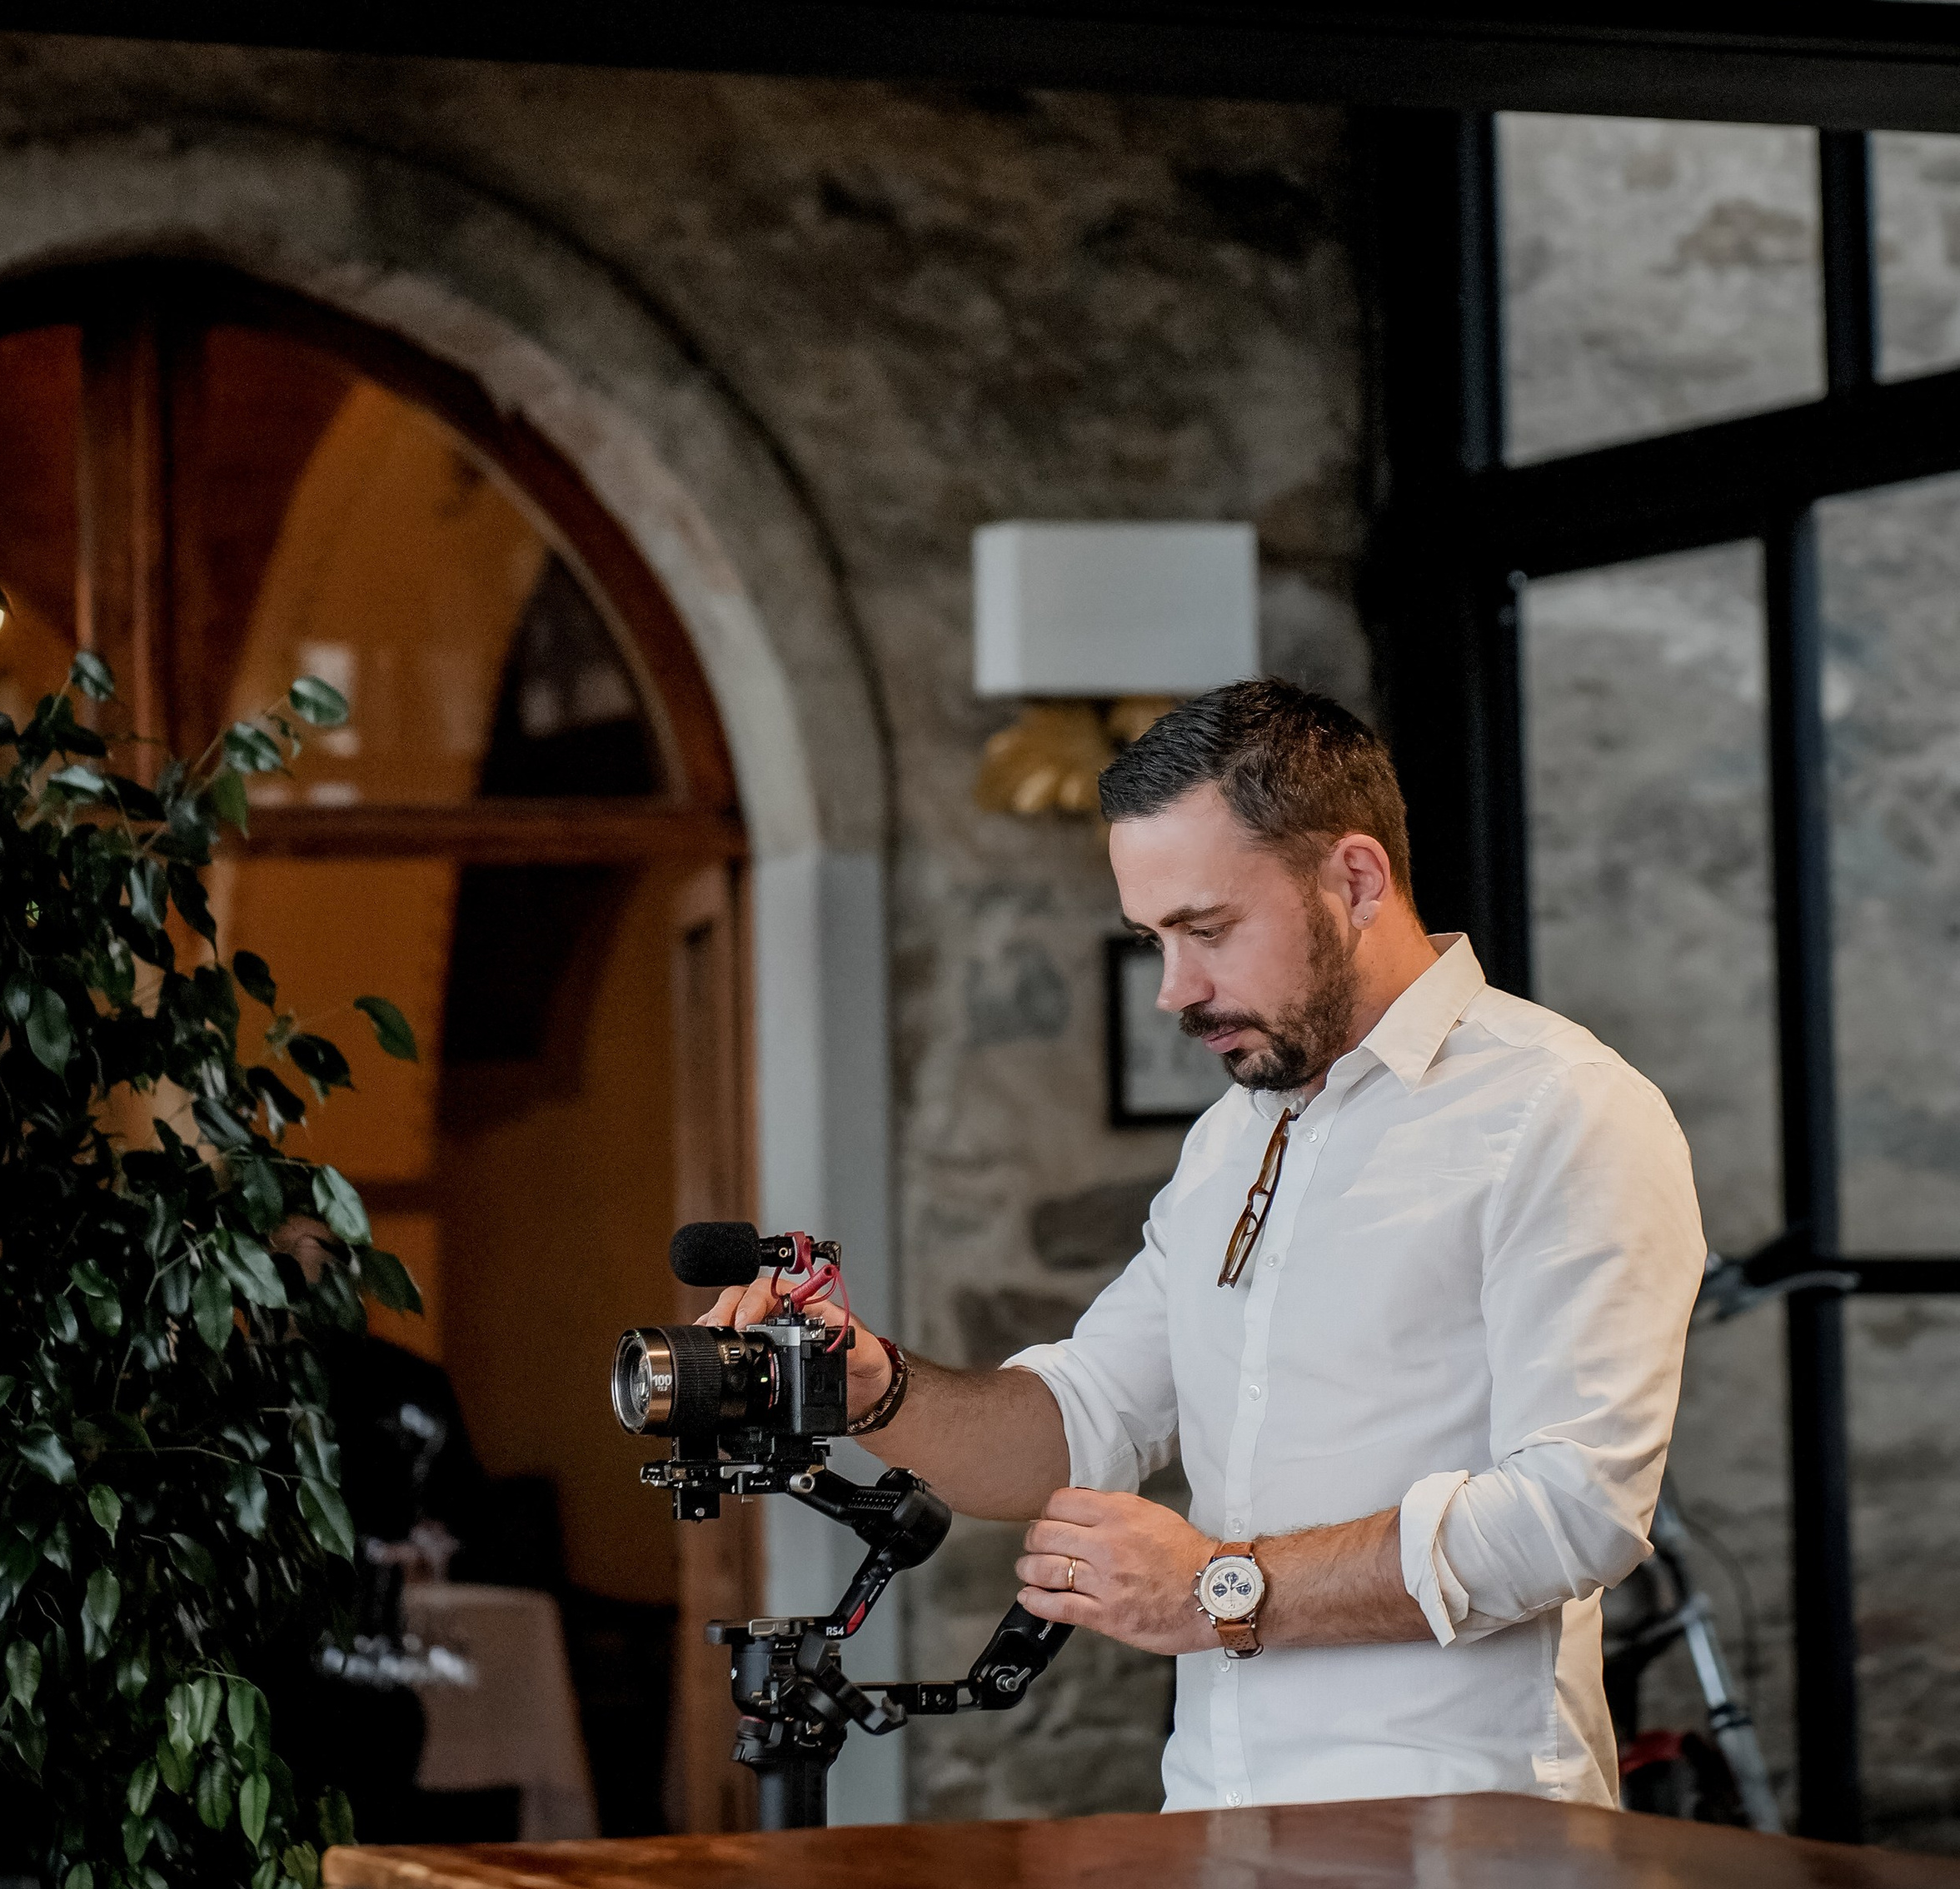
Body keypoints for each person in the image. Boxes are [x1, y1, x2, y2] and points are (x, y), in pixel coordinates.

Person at [703, 680, 1706, 1810]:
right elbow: (1081, 1424)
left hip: (1468, 1833)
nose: (1175, 990)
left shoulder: (1562, 1110)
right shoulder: (1233, 1139)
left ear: (1356, 879)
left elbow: (1576, 1512)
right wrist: (869, 1387)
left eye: (1208, 931)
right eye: (1153, 939)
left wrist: (1220, 1591)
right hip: (1217, 1822)